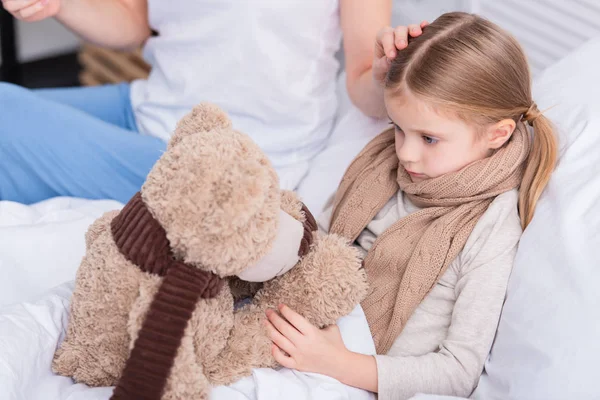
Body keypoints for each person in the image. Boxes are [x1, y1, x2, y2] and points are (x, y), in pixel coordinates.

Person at [265, 12, 558, 400]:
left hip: (356, 372)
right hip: (306, 333)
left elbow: (458, 372)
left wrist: (336, 362)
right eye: (397, 128)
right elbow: (323, 246)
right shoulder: (382, 168)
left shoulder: (490, 225)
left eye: (429, 139)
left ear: (497, 135)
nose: (405, 153)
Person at [0, 0, 417, 204]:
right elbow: (134, 23)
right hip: (152, 105)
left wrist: (385, 73)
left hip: (234, 157)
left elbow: (366, 85)